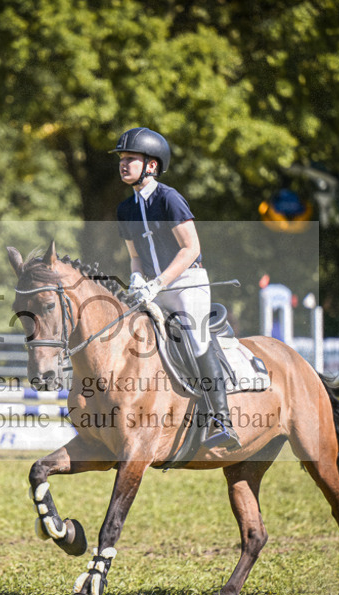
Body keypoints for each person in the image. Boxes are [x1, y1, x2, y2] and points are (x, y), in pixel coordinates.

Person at [111, 127, 239, 449]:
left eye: (131, 159)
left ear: (151, 165)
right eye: (122, 159)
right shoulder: (125, 210)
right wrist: (138, 278)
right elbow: (135, 258)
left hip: (186, 283)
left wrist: (158, 282)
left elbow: (191, 248)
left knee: (193, 336)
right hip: (153, 287)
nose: (123, 164)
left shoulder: (169, 198)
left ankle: (221, 420)